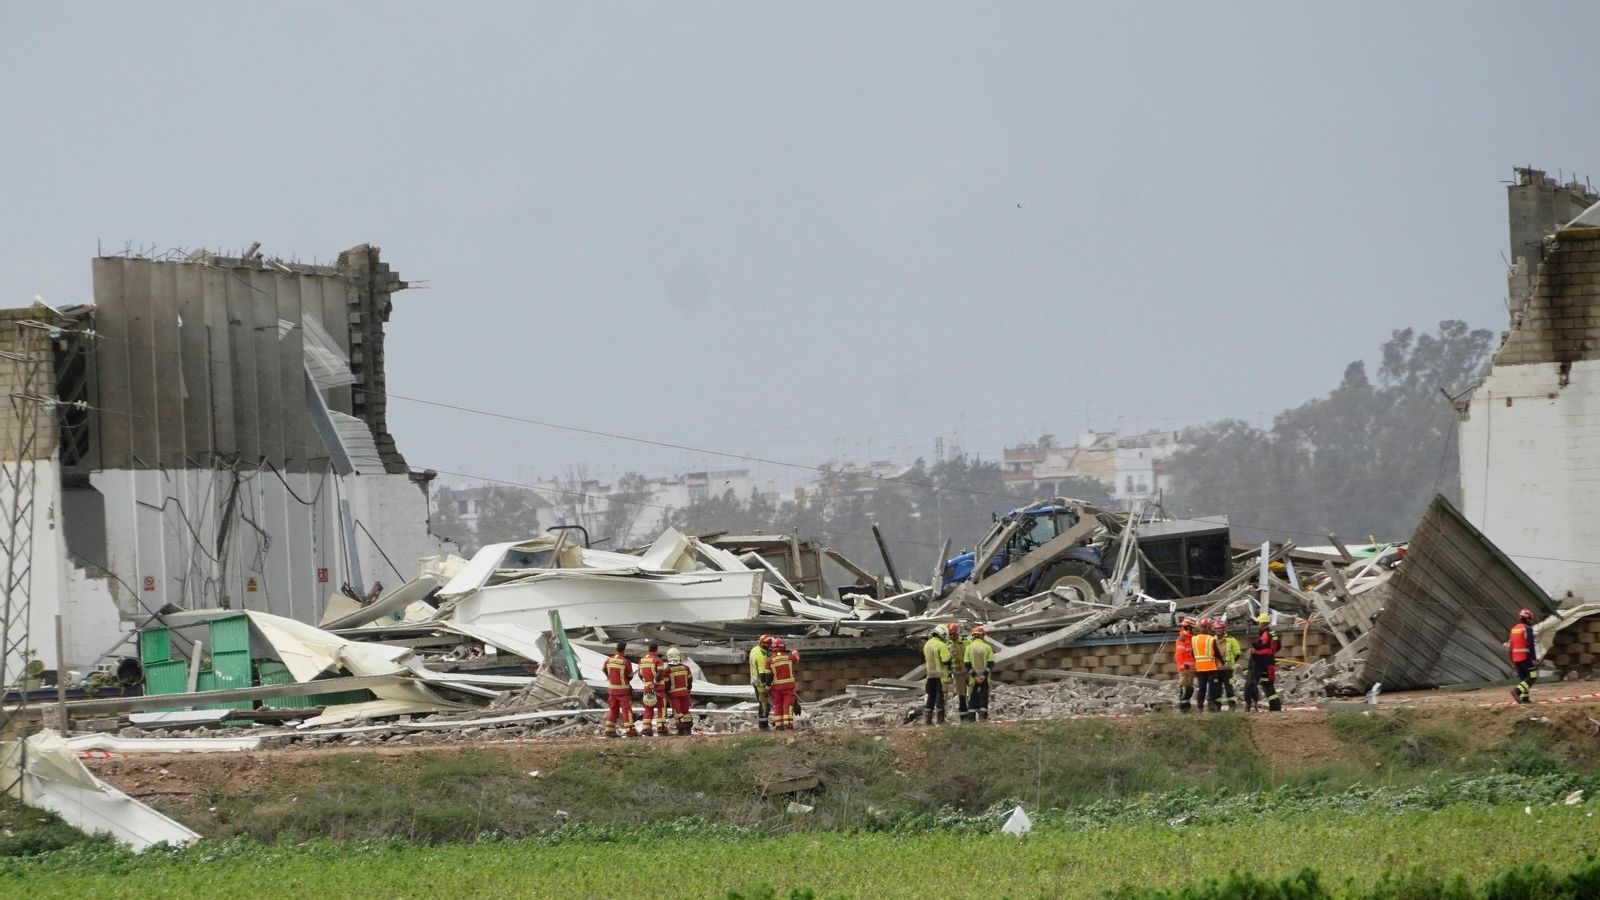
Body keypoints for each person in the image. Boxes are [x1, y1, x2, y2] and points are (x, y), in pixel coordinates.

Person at [1246, 613, 1282, 712]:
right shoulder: (1273, 633)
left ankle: (1252, 706)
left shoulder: (1265, 635)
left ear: (1263, 623)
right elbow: (1278, 646)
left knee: (1252, 683)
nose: (1258, 625)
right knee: (1268, 684)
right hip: (1270, 662)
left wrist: (1254, 650)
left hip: (1262, 663)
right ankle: (1275, 706)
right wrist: (1271, 654)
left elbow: (1261, 647)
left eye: (1259, 623)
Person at [964, 624, 997, 721]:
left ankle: (971, 719)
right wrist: (983, 676)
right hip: (985, 679)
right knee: (983, 698)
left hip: (973, 679)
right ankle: (983, 718)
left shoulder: (969, 648)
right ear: (982, 635)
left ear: (973, 636)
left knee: (972, 698)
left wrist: (975, 676)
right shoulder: (987, 647)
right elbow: (991, 664)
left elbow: (967, 664)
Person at [603, 641, 636, 738]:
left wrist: (610, 677)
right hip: (623, 691)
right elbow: (630, 675)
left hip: (612, 690)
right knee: (626, 711)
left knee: (613, 710)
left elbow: (604, 669)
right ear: (624, 650)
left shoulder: (609, 660)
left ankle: (609, 730)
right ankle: (630, 731)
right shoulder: (625, 661)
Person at [922, 624, 953, 725]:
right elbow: (946, 659)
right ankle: (940, 720)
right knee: (940, 696)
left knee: (931, 696)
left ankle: (928, 720)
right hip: (941, 676)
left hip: (930, 675)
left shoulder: (927, 644)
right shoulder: (941, 645)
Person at [768, 638, 799, 731]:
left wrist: (767, 687)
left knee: (777, 705)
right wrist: (794, 651)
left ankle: (779, 725)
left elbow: (767, 676)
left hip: (776, 688)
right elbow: (796, 659)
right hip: (788, 687)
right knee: (787, 705)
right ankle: (788, 724)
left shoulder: (769, 661)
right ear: (783, 647)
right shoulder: (789, 657)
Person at [637, 642, 667, 736]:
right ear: (656, 649)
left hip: (647, 688)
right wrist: (654, 683)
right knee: (661, 708)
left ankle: (646, 728)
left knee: (648, 708)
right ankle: (661, 728)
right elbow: (660, 672)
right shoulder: (658, 660)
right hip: (658, 688)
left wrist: (647, 683)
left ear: (648, 649)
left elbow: (639, 674)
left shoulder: (642, 660)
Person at [1510, 608, 1538, 705]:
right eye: (1530, 619)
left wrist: (1512, 660)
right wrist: (1534, 659)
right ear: (1528, 619)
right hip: (1525, 657)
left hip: (1516, 658)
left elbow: (1511, 646)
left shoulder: (1514, 629)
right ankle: (1517, 691)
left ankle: (1525, 698)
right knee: (1532, 676)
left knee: (1524, 679)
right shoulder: (1527, 629)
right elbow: (1530, 644)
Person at [664, 647, 695, 735]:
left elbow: (666, 684)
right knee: (686, 711)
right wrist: (688, 690)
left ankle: (681, 729)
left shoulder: (667, 670)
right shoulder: (686, 668)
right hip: (685, 693)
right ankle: (688, 728)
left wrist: (666, 694)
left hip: (674, 694)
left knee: (678, 712)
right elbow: (690, 681)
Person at [1192, 618, 1220, 712]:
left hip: (1199, 668)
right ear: (1208, 627)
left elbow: (1193, 654)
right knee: (1212, 687)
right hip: (1211, 667)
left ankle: (1200, 705)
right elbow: (1216, 653)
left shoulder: (1194, 639)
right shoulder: (1211, 639)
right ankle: (1211, 704)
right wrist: (1223, 662)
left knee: (1202, 688)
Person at [1213, 617, 1240, 711]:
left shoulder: (1231, 639)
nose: (1218, 630)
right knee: (1217, 690)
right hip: (1216, 669)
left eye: (1219, 628)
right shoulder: (1213, 640)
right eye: (1216, 629)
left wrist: (1231, 663)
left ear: (1223, 629)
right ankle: (1217, 707)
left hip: (1228, 670)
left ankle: (1232, 706)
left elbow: (1237, 653)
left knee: (1229, 688)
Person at [749, 634, 774, 730]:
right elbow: (763, 673)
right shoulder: (761, 656)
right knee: (765, 705)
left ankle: (763, 725)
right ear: (766, 646)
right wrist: (767, 685)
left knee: (762, 704)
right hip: (760, 684)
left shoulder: (754, 650)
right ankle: (763, 726)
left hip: (755, 680)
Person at [948, 621, 969, 722]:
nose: (951, 636)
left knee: (973, 693)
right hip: (958, 674)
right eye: (950, 634)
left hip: (968, 672)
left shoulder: (965, 642)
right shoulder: (948, 645)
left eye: (952, 634)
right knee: (961, 695)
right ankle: (964, 716)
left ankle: (973, 714)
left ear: (956, 633)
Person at [1175, 617, 1197, 712]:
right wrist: (1182, 668)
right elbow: (1179, 655)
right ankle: (1183, 709)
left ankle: (1186, 707)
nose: (1194, 630)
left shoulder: (1190, 638)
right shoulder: (1182, 639)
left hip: (1190, 668)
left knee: (1190, 688)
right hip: (1185, 669)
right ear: (1188, 628)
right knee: (1184, 688)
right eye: (1193, 628)